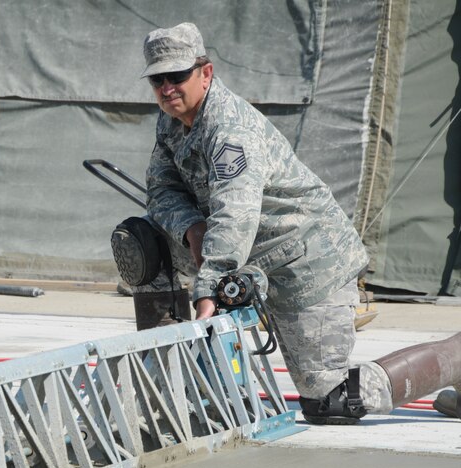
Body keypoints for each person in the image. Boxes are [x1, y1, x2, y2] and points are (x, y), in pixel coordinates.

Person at [110, 22, 461, 424]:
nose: (167, 87)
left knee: (331, 401)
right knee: (141, 241)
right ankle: (167, 385)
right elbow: (162, 189)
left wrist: (210, 286)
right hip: (245, 252)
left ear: (205, 73)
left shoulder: (230, 130)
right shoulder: (172, 120)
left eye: (178, 76)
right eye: (158, 79)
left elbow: (234, 210)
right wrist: (191, 227)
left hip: (305, 260)